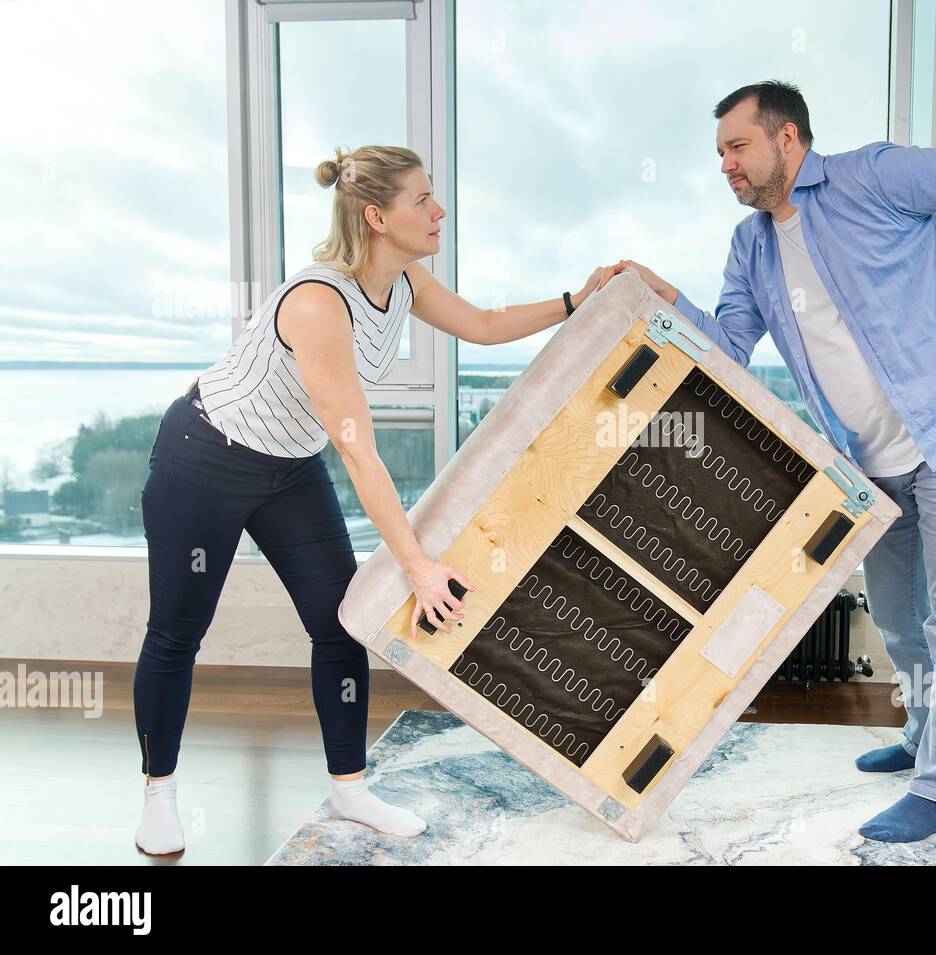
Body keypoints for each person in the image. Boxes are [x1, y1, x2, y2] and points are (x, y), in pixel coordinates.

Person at [133, 143, 613, 855]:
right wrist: (416, 563)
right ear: (376, 216)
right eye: (422, 199)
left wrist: (579, 298)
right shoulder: (319, 302)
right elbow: (358, 448)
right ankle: (159, 793)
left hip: (288, 466)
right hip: (206, 456)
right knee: (179, 631)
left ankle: (349, 787)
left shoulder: (406, 282)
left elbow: (482, 324)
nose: (438, 210)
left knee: (340, 622)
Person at [605, 81, 936, 844]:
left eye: (737, 148)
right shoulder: (752, 247)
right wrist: (658, 291)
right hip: (876, 461)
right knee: (900, 619)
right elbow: (731, 348)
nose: (726, 166)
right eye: (719, 155)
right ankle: (922, 736)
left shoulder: (873, 176)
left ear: (787, 140)